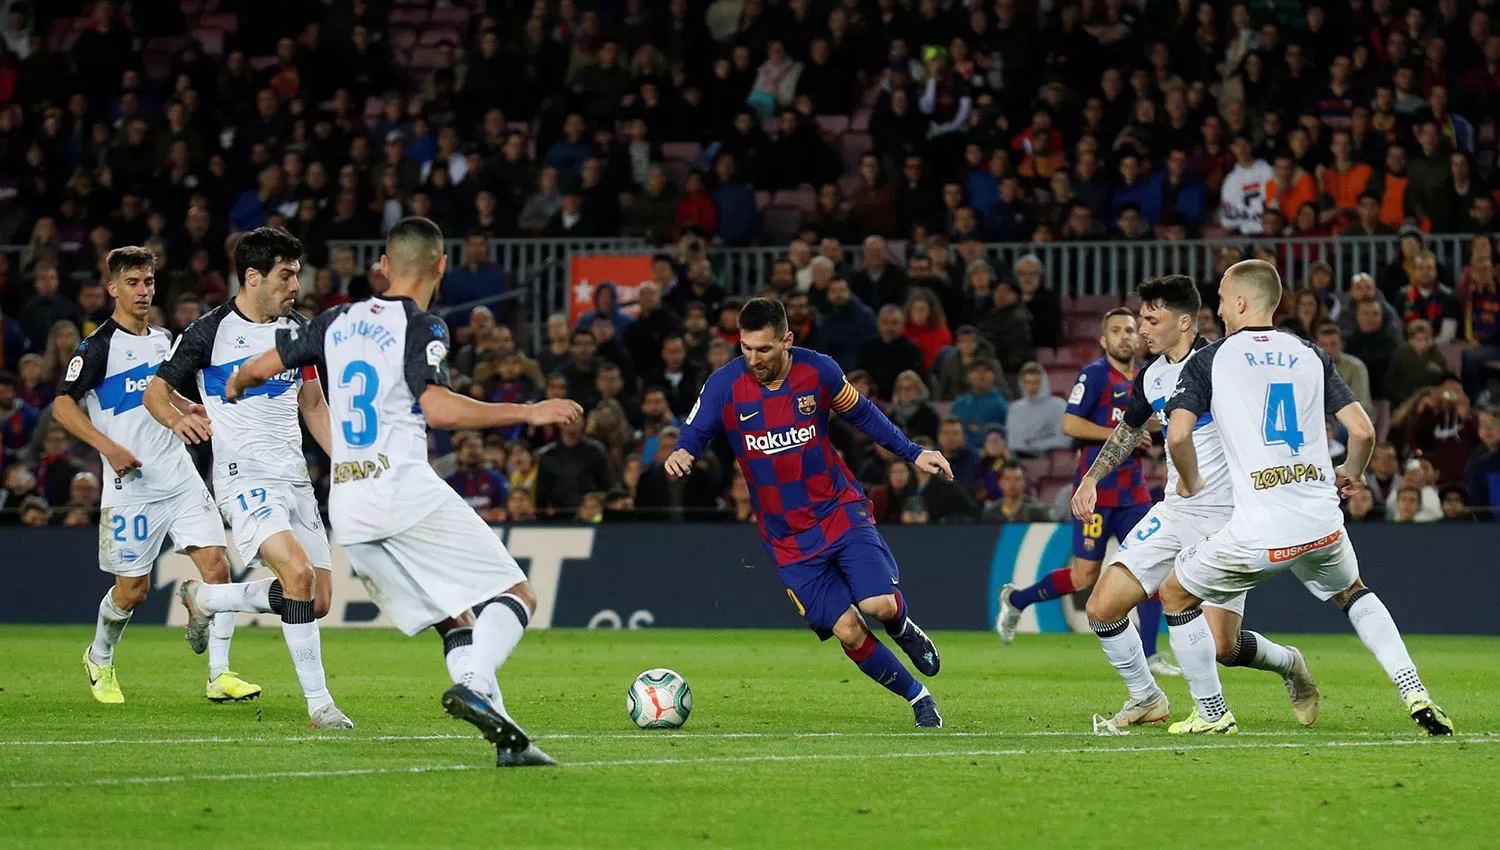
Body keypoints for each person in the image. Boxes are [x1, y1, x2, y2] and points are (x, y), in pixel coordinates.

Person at [225, 217, 583, 766]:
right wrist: (529, 411)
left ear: (384, 267)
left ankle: (510, 741)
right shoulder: (424, 326)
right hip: (402, 488)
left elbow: (260, 364)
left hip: (350, 505)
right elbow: (435, 406)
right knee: (517, 595)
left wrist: (239, 380)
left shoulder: (333, 320)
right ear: (441, 266)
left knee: (455, 620)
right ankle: (477, 683)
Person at [1159, 259, 1451, 736]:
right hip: (1321, 521)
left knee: (1174, 593)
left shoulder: (1210, 359)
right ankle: (1413, 688)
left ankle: (1212, 713)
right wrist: (1350, 474)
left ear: (1240, 302)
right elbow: (1362, 429)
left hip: (1258, 529)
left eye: (1220, 297)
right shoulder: (1310, 352)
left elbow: (1176, 437)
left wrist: (1190, 482)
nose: (1216, 306)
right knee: (1354, 592)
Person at [666, 298, 950, 728]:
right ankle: (919, 699)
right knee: (849, 631)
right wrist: (682, 454)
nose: (753, 359)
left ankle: (903, 626)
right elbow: (695, 429)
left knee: (878, 604)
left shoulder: (819, 370)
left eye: (763, 350)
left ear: (787, 340)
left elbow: (864, 415)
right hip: (786, 538)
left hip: (837, 509)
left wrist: (913, 452)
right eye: (745, 348)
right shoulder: (725, 385)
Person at [1065, 276, 1316, 729]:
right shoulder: (1152, 375)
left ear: (1185, 321)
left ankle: (1288, 663)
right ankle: (1147, 698)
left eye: (1151, 319)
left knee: (1224, 647)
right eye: (1140, 318)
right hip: (1178, 510)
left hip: (1232, 517)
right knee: (1101, 606)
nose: (1141, 328)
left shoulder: (1227, 363)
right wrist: (1092, 478)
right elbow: (1128, 432)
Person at [145, 227, 346, 722]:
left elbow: (314, 405)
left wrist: (349, 466)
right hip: (243, 476)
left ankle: (208, 597)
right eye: (286, 274)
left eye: (297, 273)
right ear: (253, 276)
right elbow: (155, 393)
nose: (295, 284)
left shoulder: (298, 332)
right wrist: (180, 417)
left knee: (316, 600)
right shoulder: (209, 332)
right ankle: (320, 705)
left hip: (295, 477)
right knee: (296, 574)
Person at [51, 247, 251, 706]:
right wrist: (109, 448)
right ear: (114, 288)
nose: (143, 291)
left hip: (179, 478)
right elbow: (62, 405)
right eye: (134, 283)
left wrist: (187, 407)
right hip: (131, 487)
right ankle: (99, 656)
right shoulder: (99, 346)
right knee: (133, 591)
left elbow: (159, 394)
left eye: (149, 282)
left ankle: (218, 674)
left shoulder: (164, 339)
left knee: (218, 569)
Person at [998, 308, 1169, 675]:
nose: (1126, 336)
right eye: (1117, 331)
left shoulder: (1146, 378)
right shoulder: (1093, 376)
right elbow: (1070, 423)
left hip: (1134, 493)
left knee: (1150, 565)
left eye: (1130, 330)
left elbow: (1152, 422)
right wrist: (1122, 436)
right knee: (1083, 578)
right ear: (1104, 341)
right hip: (1096, 491)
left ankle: (1152, 655)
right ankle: (1017, 599)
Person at [1006, 363, 1071, 457]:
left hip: (1051, 459)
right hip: (1019, 460)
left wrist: (1034, 445)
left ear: (1044, 382)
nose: (1031, 387)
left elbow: (1064, 440)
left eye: (1036, 382)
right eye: (1027, 382)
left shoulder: (1059, 406)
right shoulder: (1015, 409)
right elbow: (1012, 442)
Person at [980, 461, 1054, 523]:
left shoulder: (1039, 512)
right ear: (1000, 483)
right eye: (1007, 479)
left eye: (1017, 479)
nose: (1012, 483)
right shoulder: (990, 514)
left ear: (1025, 483)